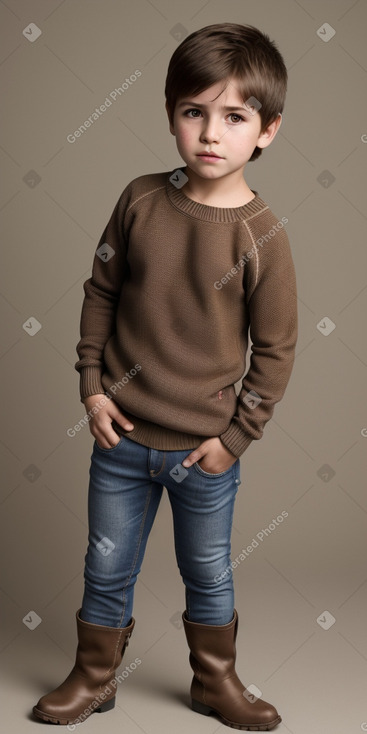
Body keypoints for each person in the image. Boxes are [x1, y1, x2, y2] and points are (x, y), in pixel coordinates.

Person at [33, 22, 297, 731]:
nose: (210, 133)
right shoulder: (140, 199)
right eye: (193, 112)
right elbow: (101, 291)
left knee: (208, 574)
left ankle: (215, 683)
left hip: (202, 452)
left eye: (233, 117)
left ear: (266, 130)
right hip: (120, 443)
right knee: (105, 568)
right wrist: (91, 385)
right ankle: (93, 679)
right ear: (170, 114)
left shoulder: (262, 235)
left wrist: (235, 438)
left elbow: (274, 351)